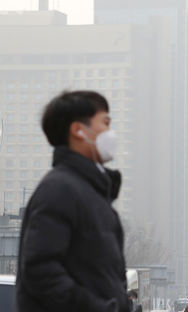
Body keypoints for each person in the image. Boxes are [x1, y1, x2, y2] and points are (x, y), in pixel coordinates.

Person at [16, 91, 127, 312]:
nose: (110, 132)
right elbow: (40, 270)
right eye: (105, 123)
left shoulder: (92, 193)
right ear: (78, 130)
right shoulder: (60, 190)